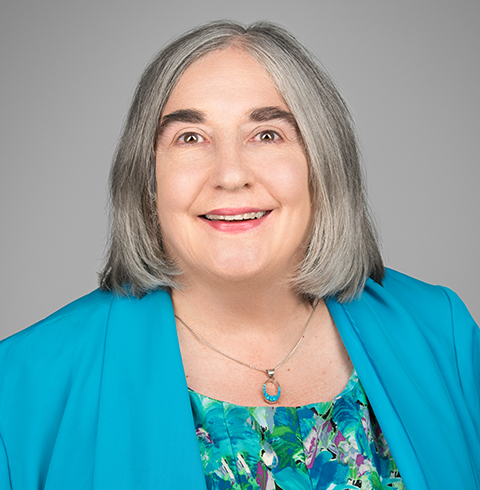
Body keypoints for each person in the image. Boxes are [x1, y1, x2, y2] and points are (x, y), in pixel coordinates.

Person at [0, 20, 478, 490]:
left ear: (322, 162)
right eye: (190, 138)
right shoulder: (22, 384)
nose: (230, 175)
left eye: (267, 135)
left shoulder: (445, 335)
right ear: (147, 178)